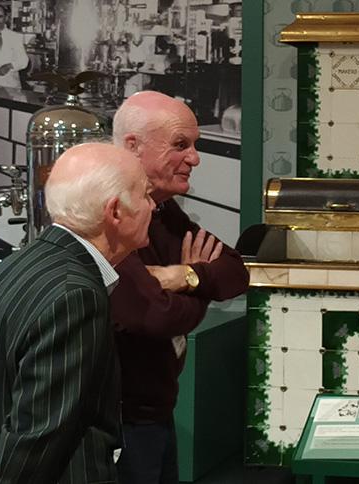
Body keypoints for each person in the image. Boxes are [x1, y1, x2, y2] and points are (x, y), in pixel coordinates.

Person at [0, 143, 154, 483]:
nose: (153, 207)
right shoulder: (76, 294)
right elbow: (37, 437)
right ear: (115, 212)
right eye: (146, 196)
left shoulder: (19, 264)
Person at [109, 90, 249, 484]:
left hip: (156, 409)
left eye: (194, 145)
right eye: (180, 145)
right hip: (121, 419)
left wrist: (182, 277)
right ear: (133, 146)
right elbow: (156, 316)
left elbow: (235, 270)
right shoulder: (112, 216)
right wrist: (198, 288)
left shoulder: (164, 211)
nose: (195, 158)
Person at [0, 4, 29, 88]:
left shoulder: (15, 37)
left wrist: (9, 66)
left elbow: (24, 61)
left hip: (11, 86)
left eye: (0, 16)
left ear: (6, 18)